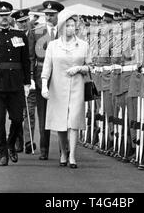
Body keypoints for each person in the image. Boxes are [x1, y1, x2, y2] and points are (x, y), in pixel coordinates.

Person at [0, 1, 31, 166]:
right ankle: (3, 153)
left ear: (10, 16)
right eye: (1, 16)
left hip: (16, 84)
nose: (4, 19)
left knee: (17, 119)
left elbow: (25, 61)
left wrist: (27, 83)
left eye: (7, 16)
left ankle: (10, 144)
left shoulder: (20, 35)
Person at [41, 11, 92, 168]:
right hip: (57, 87)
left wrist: (79, 68)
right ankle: (63, 151)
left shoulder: (83, 45)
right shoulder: (52, 46)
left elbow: (90, 66)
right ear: (62, 27)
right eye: (68, 25)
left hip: (77, 86)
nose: (72, 28)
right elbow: (47, 67)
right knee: (61, 122)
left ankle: (72, 156)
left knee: (73, 122)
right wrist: (44, 86)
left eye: (73, 25)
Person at [31, 0, 64, 160]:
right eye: (47, 15)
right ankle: (44, 149)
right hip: (41, 75)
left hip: (61, 77)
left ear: (58, 15)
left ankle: (63, 150)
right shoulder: (37, 31)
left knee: (61, 113)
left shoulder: (65, 32)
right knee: (43, 113)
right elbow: (31, 56)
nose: (49, 18)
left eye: (52, 15)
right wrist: (30, 77)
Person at [10, 9, 37, 154]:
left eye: (26, 21)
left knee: (30, 111)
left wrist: (31, 76)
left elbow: (34, 58)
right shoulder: (13, 37)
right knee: (17, 113)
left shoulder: (35, 36)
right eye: (20, 22)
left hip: (30, 77)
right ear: (16, 23)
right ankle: (18, 140)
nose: (24, 24)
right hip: (15, 79)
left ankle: (29, 141)